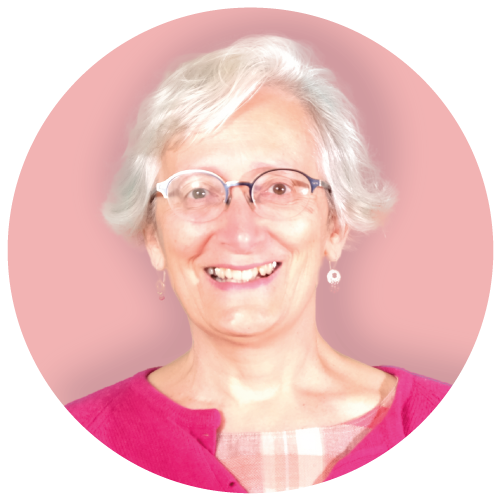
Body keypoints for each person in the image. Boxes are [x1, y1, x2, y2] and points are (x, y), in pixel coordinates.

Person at [65, 35, 452, 493]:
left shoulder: (428, 411)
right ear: (153, 235)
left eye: (280, 188)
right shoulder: (91, 427)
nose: (240, 233)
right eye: (198, 192)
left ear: (335, 225)